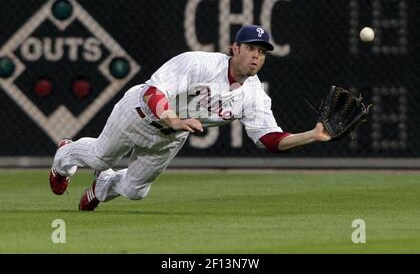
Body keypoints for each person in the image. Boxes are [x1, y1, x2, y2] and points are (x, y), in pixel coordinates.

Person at [49, 24, 332, 211]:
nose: (256, 56)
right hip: (139, 114)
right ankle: (64, 157)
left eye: (261, 51)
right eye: (250, 48)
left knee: (136, 191)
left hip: (172, 136)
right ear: (235, 49)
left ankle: (103, 185)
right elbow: (152, 92)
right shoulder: (199, 63)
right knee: (100, 158)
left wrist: (312, 135)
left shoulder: (255, 95)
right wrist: (172, 118)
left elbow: (269, 139)